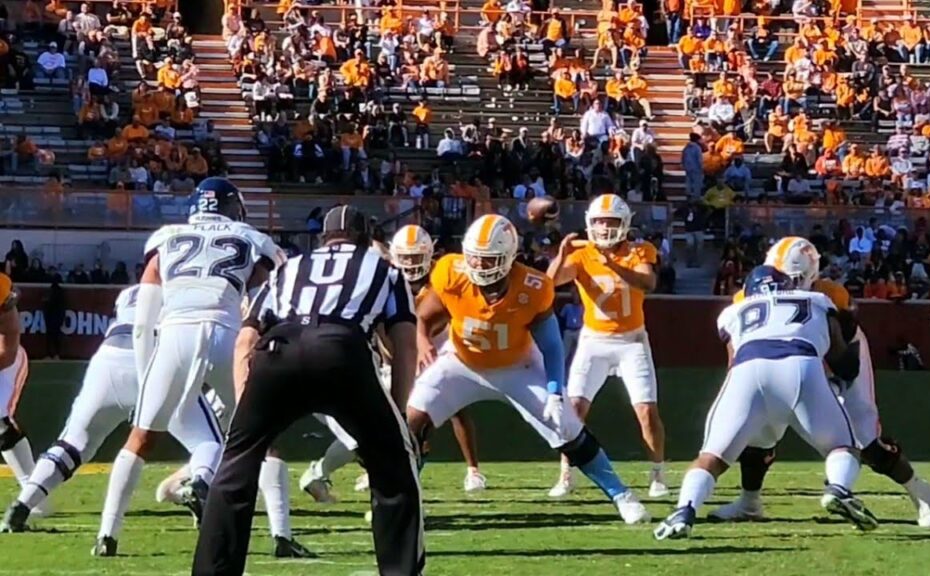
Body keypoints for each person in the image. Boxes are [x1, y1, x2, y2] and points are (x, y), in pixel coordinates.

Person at [192, 205, 423, 576]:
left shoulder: (289, 267)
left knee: (234, 468)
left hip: (277, 350)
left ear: (323, 239)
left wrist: (244, 410)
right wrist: (396, 417)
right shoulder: (384, 268)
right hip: (341, 349)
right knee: (395, 469)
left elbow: (246, 340)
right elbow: (405, 345)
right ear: (366, 239)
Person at [408, 214, 650, 525]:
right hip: (462, 361)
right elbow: (424, 317)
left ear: (508, 258)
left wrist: (553, 391)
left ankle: (621, 495)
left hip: (517, 366)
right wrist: (423, 340)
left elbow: (551, 346)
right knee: (412, 421)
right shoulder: (451, 272)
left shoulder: (533, 287)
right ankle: (402, 498)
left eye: (488, 259)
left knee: (566, 427)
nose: (479, 266)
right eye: (475, 258)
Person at [91, 178, 285, 556]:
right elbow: (271, 293)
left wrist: (149, 371)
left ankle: (107, 534)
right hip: (227, 335)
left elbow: (146, 315)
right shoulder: (252, 238)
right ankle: (282, 536)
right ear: (234, 209)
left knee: (141, 438)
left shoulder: (167, 237)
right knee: (263, 434)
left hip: (175, 334)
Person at [709, 237, 930, 528]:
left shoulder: (831, 295)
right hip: (783, 359)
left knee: (865, 439)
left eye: (792, 279)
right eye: (780, 276)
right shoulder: (748, 296)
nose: (783, 284)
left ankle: (921, 493)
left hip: (837, 356)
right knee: (759, 429)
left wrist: (831, 382)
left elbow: (844, 357)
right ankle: (749, 502)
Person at [654, 265, 877, 541]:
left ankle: (684, 510)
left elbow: (732, 360)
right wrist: (846, 367)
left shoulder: (735, 311)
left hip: (747, 371)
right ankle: (839, 489)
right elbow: (840, 355)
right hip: (802, 365)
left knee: (711, 456)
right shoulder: (816, 300)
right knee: (842, 446)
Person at [0, 287, 236, 537]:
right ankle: (197, 488)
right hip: (157, 356)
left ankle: (22, 505)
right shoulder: (192, 292)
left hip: (109, 357)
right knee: (209, 443)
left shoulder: (130, 293)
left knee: (72, 445)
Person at [298, 225, 488, 499]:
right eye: (406, 257)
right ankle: (328, 472)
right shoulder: (386, 278)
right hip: (398, 358)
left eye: (415, 256)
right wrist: (397, 363)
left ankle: (471, 469)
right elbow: (384, 332)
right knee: (379, 425)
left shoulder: (442, 275)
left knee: (447, 411)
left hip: (440, 350)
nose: (411, 263)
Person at [545, 194, 667, 499]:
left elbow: (647, 283)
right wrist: (560, 255)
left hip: (632, 340)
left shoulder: (640, 250)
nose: (604, 227)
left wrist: (612, 263)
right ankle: (566, 474)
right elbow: (548, 284)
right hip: (593, 340)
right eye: (599, 221)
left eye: (611, 222)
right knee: (573, 411)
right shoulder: (582, 254)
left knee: (646, 411)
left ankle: (657, 475)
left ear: (624, 224)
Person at [0, 273, 43, 519]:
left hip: (5, 360)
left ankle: (33, 491)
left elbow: (7, 352)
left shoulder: (1, 294)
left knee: (0, 419)